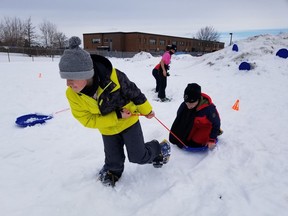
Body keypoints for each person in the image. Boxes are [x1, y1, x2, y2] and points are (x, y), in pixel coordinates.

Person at [59, 36, 171, 187]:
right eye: (65, 78)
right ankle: (113, 171)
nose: (68, 83)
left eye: (72, 78)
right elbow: (87, 120)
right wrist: (117, 116)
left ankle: (158, 148)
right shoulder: (72, 94)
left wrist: (147, 110)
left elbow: (135, 93)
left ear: (86, 73)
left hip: (129, 122)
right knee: (113, 160)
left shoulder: (113, 77)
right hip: (107, 129)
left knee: (138, 156)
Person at [169, 83, 222, 150]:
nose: (188, 106)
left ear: (198, 99)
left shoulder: (209, 109)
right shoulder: (184, 105)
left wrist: (212, 140)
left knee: (195, 143)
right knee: (185, 140)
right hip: (194, 125)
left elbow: (216, 123)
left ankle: (216, 132)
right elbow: (179, 119)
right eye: (186, 103)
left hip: (206, 126)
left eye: (191, 103)